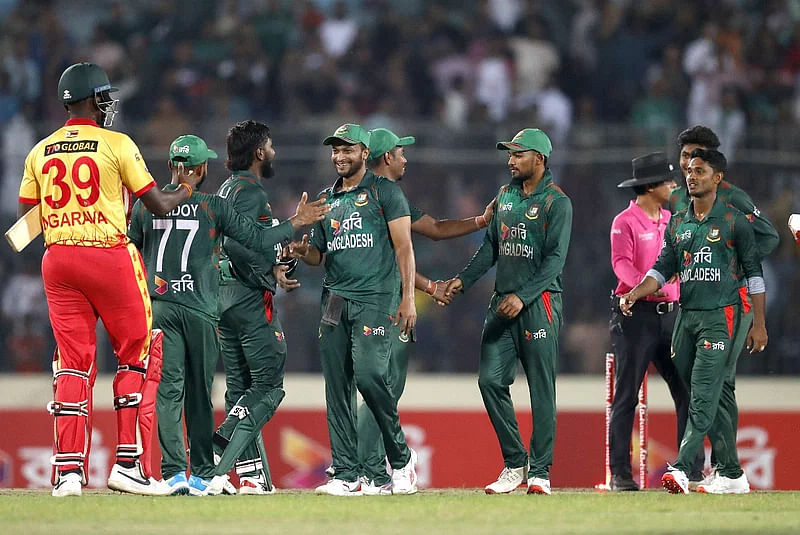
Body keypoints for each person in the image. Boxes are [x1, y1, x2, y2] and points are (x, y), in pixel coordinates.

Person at [16, 62, 196, 497]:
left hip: (58, 261)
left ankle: (67, 474)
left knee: (72, 364)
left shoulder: (39, 151)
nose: (108, 103)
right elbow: (156, 204)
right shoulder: (117, 143)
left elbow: (26, 218)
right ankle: (129, 465)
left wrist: (69, 214)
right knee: (139, 351)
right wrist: (186, 187)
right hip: (108, 256)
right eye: (104, 96)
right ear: (91, 99)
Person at [127, 134, 326, 496]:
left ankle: (173, 474)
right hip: (202, 309)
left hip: (162, 306)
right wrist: (297, 221)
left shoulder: (145, 207)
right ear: (202, 168)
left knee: (170, 390)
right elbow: (258, 239)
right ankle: (203, 473)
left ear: (173, 166)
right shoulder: (211, 207)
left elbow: (130, 252)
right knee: (200, 394)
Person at [352, 127, 495, 494]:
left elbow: (431, 229)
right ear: (387, 158)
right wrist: (418, 294)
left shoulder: (364, 195)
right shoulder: (387, 195)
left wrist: (479, 222)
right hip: (385, 308)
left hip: (371, 305)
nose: (406, 159)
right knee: (381, 388)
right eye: (401, 153)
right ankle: (370, 470)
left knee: (382, 388)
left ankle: (367, 470)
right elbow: (408, 248)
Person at [620, 148, 767, 495]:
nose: (691, 176)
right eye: (690, 170)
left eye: (700, 171)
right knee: (716, 393)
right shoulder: (678, 221)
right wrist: (636, 292)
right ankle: (731, 473)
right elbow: (662, 269)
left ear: (717, 179)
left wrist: (758, 323)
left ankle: (683, 468)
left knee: (702, 391)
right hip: (686, 318)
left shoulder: (734, 222)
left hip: (721, 316)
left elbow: (755, 277)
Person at [287, 123, 419, 496]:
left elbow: (404, 249)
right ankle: (347, 474)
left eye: (347, 150)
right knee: (337, 388)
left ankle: (401, 459)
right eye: (335, 151)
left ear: (364, 153)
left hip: (375, 300)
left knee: (369, 377)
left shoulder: (385, 193)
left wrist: (407, 297)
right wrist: (301, 250)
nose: (339, 156)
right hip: (333, 303)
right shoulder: (327, 200)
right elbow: (318, 255)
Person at [445, 128, 573, 495]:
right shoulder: (504, 196)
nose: (510, 160)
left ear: (540, 159)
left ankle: (541, 472)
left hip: (539, 305)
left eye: (518, 154)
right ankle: (516, 463)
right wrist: (464, 280)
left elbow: (556, 261)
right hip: (502, 303)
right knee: (489, 381)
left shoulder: (557, 202)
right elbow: (490, 248)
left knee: (541, 390)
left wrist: (525, 296)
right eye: (509, 154)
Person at [203, 120, 314, 495]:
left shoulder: (225, 189)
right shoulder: (250, 191)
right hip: (249, 301)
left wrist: (274, 265)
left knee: (239, 390)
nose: (274, 152)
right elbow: (240, 245)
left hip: (222, 299)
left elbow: (243, 244)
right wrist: (285, 235)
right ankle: (219, 456)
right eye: (271, 145)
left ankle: (252, 477)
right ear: (258, 153)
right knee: (268, 385)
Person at [670, 126, 778, 490]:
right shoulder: (682, 198)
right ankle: (729, 471)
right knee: (719, 386)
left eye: (696, 157)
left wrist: (725, 260)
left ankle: (717, 469)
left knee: (713, 383)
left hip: (734, 302)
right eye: (685, 157)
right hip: (696, 306)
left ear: (715, 164)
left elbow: (769, 236)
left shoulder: (733, 197)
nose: (688, 164)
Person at [608, 152, 687, 491]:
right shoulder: (624, 221)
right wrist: (642, 289)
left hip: (671, 317)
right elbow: (620, 265)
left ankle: (688, 468)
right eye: (668, 181)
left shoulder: (674, 219)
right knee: (627, 395)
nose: (673, 186)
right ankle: (621, 475)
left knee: (685, 392)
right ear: (651, 186)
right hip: (636, 317)